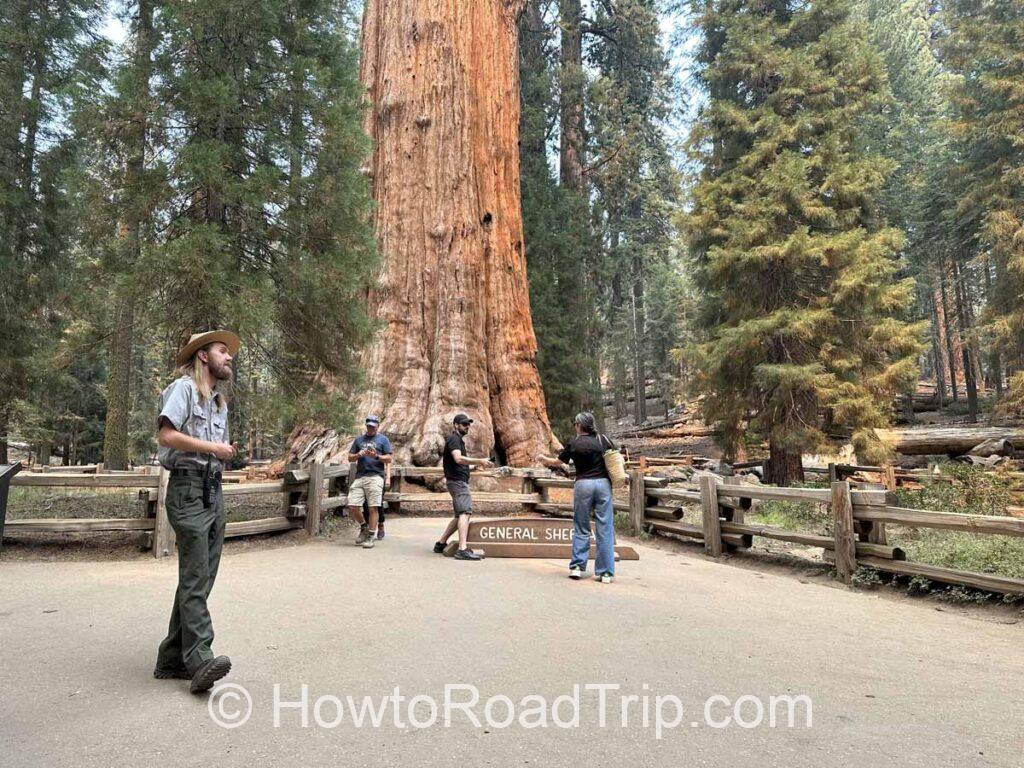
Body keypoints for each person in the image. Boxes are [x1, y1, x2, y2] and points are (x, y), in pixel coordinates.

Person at [153, 330, 240, 693]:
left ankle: (172, 658)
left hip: (212, 489)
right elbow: (166, 435)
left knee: (201, 577)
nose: (229, 356)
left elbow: (214, 450)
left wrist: (222, 454)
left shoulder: (219, 403)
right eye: (222, 350)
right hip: (187, 488)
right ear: (203, 356)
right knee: (195, 574)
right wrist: (213, 448)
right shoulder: (184, 389)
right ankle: (201, 658)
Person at [539, 412, 617, 583]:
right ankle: (605, 573)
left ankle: (577, 567)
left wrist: (544, 458)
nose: (574, 426)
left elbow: (559, 462)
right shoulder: (602, 440)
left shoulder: (574, 443)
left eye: (575, 423)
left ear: (579, 425)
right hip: (603, 484)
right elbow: (615, 458)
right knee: (605, 528)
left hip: (583, 485)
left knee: (581, 526)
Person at [432, 413, 493, 560]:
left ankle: (440, 543)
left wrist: (473, 468)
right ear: (456, 425)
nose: (467, 426)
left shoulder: (458, 441)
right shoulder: (454, 439)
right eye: (464, 424)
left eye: (468, 424)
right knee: (465, 512)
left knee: (460, 515)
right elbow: (458, 459)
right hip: (458, 483)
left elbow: (458, 464)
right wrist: (480, 461)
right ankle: (462, 549)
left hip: (457, 480)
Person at [346, 415, 392, 548]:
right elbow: (350, 458)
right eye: (369, 426)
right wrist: (358, 455)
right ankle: (364, 527)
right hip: (360, 476)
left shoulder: (383, 440)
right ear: (366, 425)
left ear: (378, 426)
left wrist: (376, 456)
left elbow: (388, 459)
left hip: (376, 476)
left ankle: (371, 535)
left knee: (373, 507)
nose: (371, 428)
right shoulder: (359, 440)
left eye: (373, 426)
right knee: (352, 505)